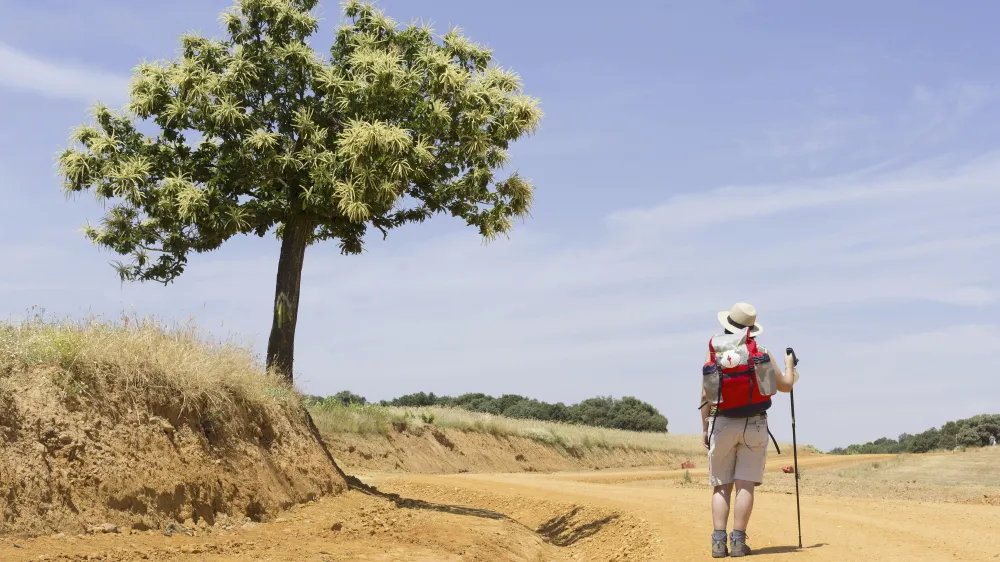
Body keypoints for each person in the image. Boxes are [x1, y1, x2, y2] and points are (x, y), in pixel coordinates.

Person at [699, 303, 798, 558]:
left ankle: (718, 543)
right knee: (745, 484)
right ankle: (738, 543)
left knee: (721, 486)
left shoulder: (714, 354)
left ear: (727, 325)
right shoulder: (761, 352)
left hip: (721, 423)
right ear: (751, 329)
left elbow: (705, 396)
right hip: (755, 423)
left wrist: (705, 428)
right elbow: (785, 385)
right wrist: (790, 365)